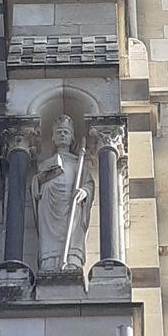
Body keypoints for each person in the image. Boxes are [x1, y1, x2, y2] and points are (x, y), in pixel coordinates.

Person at [31, 115, 95, 271]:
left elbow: (89, 184)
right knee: (49, 246)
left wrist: (84, 192)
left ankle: (72, 261)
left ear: (72, 137)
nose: (62, 135)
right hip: (49, 208)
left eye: (66, 132)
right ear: (53, 137)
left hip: (72, 204)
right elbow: (36, 184)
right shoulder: (45, 163)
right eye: (59, 132)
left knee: (73, 236)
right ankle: (49, 262)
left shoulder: (78, 163)